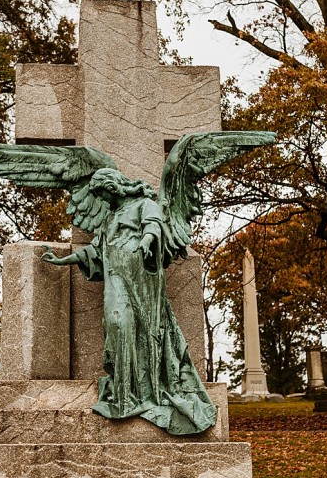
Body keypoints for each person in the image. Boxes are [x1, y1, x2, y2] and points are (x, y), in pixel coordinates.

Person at [41, 168, 217, 435]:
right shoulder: (109, 219)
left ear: (114, 187)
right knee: (118, 324)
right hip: (116, 281)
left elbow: (154, 225)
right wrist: (63, 260)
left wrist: (147, 240)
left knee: (145, 332)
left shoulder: (144, 204)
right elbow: (95, 251)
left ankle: (142, 391)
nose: (101, 200)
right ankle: (126, 394)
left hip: (142, 282)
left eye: (102, 193)